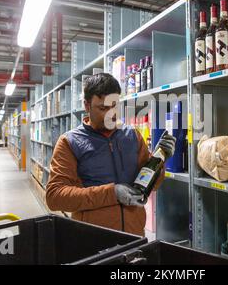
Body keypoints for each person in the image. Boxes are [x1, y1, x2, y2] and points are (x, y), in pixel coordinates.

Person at [46, 73, 176, 236]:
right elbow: (55, 197)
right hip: (93, 239)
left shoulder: (132, 136)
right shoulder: (70, 142)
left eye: (114, 105)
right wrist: (112, 193)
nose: (111, 114)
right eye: (103, 108)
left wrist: (160, 160)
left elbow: (148, 185)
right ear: (87, 106)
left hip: (134, 235)